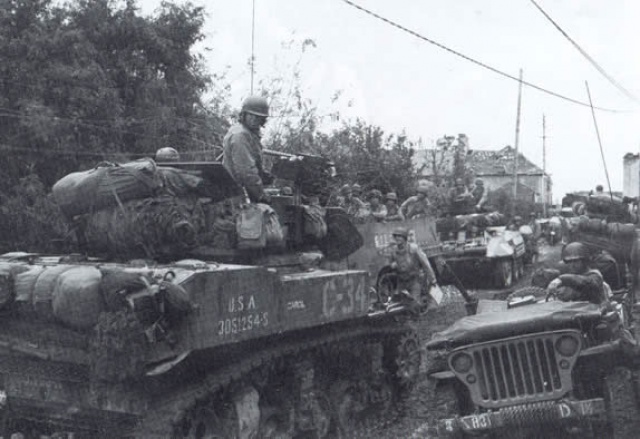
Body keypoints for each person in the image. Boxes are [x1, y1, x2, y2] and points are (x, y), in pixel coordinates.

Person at [222, 96, 274, 203]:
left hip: (239, 190)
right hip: (236, 194)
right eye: (251, 115)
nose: (254, 119)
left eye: (258, 117)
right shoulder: (240, 135)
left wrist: (265, 177)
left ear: (262, 119)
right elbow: (246, 172)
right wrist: (261, 195)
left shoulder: (249, 134)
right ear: (244, 114)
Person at [387, 227, 438, 311]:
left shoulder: (414, 249)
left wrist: (432, 279)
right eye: (395, 236)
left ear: (404, 238)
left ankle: (421, 312)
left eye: (399, 236)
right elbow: (390, 263)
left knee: (414, 303)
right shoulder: (394, 251)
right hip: (401, 280)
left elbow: (425, 264)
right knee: (403, 303)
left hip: (414, 279)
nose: (397, 238)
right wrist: (392, 265)